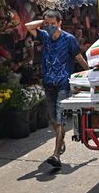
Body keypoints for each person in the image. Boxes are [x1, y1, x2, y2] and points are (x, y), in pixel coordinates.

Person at [26, 10, 89, 168]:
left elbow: (78, 57)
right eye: (48, 24)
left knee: (60, 118)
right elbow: (28, 26)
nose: (51, 27)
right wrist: (44, 23)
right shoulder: (45, 36)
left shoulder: (69, 39)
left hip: (63, 83)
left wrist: (91, 73)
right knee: (53, 119)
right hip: (48, 83)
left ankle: (56, 154)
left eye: (54, 24)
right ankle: (60, 141)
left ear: (60, 23)